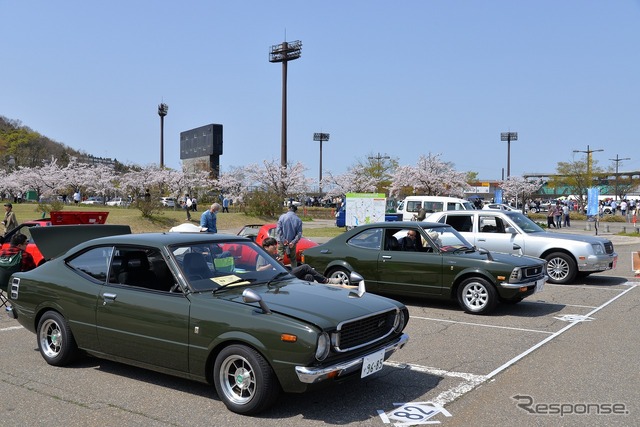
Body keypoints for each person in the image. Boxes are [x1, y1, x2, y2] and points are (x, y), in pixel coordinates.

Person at [258, 237, 341, 284]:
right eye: (272, 245)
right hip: (276, 277)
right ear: (266, 247)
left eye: (275, 245)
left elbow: (280, 267)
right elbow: (259, 269)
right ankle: (326, 280)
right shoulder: (263, 256)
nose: (275, 247)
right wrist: (273, 264)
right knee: (305, 267)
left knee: (309, 276)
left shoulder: (275, 255)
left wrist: (280, 263)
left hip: (283, 273)